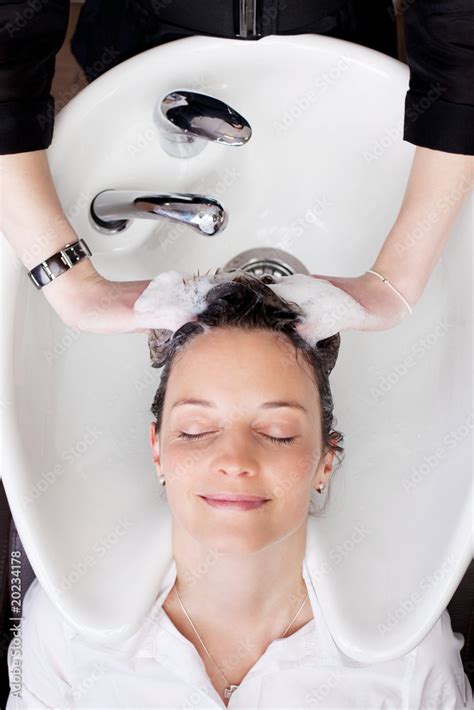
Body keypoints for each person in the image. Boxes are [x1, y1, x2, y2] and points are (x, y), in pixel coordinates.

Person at [5, 272, 473, 708]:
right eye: (195, 430)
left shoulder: (408, 657)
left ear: (325, 462)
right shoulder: (66, 632)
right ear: (158, 452)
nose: (234, 461)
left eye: (277, 432)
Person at [0, 1, 472, 336]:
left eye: (195, 427)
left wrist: (67, 279)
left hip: (343, 29)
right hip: (137, 29)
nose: (236, 464)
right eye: (277, 430)